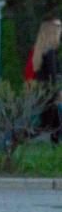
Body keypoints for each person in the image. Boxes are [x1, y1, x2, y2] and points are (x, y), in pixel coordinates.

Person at [30, 14, 62, 143]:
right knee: (45, 126)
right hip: (50, 93)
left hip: (44, 92)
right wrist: (58, 93)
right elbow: (52, 76)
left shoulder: (42, 50)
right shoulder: (49, 52)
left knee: (54, 125)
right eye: (59, 27)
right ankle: (13, 140)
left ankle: (56, 150)